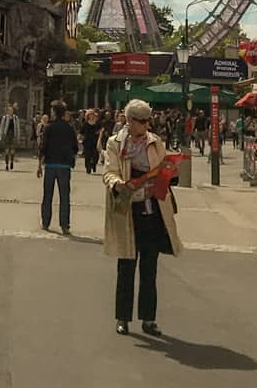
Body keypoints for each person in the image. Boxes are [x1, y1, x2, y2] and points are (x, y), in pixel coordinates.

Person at [103, 99, 182, 336]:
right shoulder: (115, 143)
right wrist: (119, 184)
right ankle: (122, 318)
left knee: (150, 268)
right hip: (129, 211)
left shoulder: (154, 141)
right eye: (142, 121)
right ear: (129, 121)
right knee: (126, 266)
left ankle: (148, 319)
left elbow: (165, 166)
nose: (147, 125)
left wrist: (171, 173)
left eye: (148, 120)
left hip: (153, 210)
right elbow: (109, 171)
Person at [38, 100, 78, 235]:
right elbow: (75, 147)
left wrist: (39, 165)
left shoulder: (48, 127)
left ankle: (45, 221)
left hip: (50, 165)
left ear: (54, 112)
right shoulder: (70, 128)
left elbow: (43, 147)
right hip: (64, 166)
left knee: (47, 195)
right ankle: (65, 224)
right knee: (64, 196)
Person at [0, 104, 23, 170]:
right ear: (7, 111)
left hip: (13, 135)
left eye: (11, 110)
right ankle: (6, 165)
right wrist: (0, 136)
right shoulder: (5, 118)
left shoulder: (16, 118)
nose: (10, 112)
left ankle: (11, 162)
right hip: (6, 135)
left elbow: (17, 128)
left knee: (12, 151)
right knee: (6, 151)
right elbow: (1, 127)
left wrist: (18, 137)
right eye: (9, 110)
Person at [82, 109, 103, 175]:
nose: (91, 116)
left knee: (95, 155)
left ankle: (93, 165)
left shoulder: (97, 123)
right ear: (87, 116)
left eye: (92, 114)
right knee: (87, 155)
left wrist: (99, 132)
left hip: (95, 141)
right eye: (90, 115)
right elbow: (81, 132)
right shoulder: (85, 123)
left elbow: (101, 130)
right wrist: (80, 137)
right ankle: (88, 168)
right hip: (87, 142)